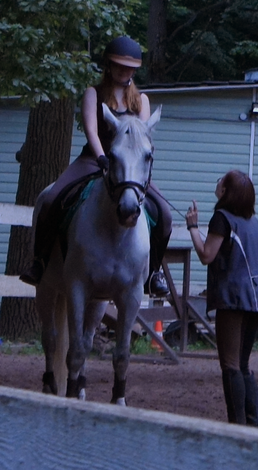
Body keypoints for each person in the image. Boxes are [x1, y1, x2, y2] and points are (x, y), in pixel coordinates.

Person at [20, 36, 172, 288]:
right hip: (94, 158)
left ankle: (154, 272)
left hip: (129, 169)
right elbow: (91, 129)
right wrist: (102, 158)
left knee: (164, 213)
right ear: (108, 66)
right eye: (119, 66)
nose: (125, 71)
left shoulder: (141, 100)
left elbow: (142, 135)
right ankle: (40, 261)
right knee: (51, 198)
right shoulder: (94, 93)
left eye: (130, 68)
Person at [185, 170, 258, 427]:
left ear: (226, 192)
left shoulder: (221, 218)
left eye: (221, 181)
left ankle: (236, 426)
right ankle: (255, 424)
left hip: (235, 297)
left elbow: (207, 255)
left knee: (230, 364)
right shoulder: (253, 221)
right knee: (243, 362)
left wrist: (193, 227)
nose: (217, 183)